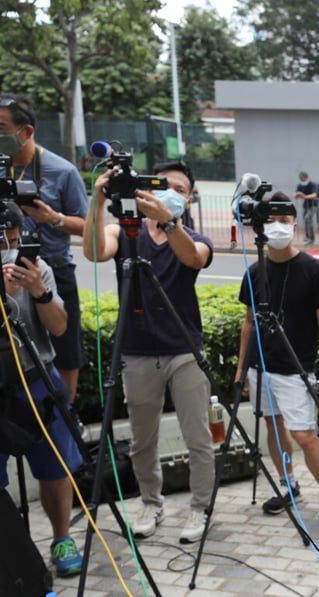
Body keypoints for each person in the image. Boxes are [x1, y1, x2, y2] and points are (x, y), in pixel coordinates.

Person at [83, 159, 216, 544]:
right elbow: (93, 251)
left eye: (181, 190)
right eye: (164, 186)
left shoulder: (193, 237)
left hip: (184, 349)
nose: (171, 194)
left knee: (198, 436)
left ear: (189, 200)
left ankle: (200, 507)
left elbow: (192, 257)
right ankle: (150, 502)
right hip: (138, 352)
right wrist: (97, 200)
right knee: (143, 438)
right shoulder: (125, 231)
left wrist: (169, 223)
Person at [234, 196, 319, 531]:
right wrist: (241, 370)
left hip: (297, 367)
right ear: (261, 226)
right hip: (261, 365)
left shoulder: (313, 269)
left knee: (304, 433)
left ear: (294, 225)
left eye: (284, 218)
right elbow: (249, 322)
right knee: (272, 425)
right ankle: (287, 483)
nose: (278, 225)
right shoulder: (254, 271)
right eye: (271, 219)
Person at [0, 202, 83, 577]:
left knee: (54, 467)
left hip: (36, 380)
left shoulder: (38, 268)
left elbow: (61, 327)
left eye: (14, 241)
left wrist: (38, 292)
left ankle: (62, 536)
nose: (8, 249)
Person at [0, 94, 88, 409]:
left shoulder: (61, 171)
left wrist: (53, 218)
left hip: (52, 272)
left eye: (2, 128)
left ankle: (63, 416)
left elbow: (89, 227)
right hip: (6, 271)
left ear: (26, 131)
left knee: (65, 351)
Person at [294, 171, 319, 246]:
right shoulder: (300, 185)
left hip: (313, 205)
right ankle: (308, 237)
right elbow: (295, 194)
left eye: (303, 179)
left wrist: (304, 196)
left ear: (306, 178)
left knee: (308, 218)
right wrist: (298, 194)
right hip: (306, 205)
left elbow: (314, 195)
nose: (302, 181)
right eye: (300, 179)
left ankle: (312, 238)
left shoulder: (312, 184)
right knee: (306, 220)